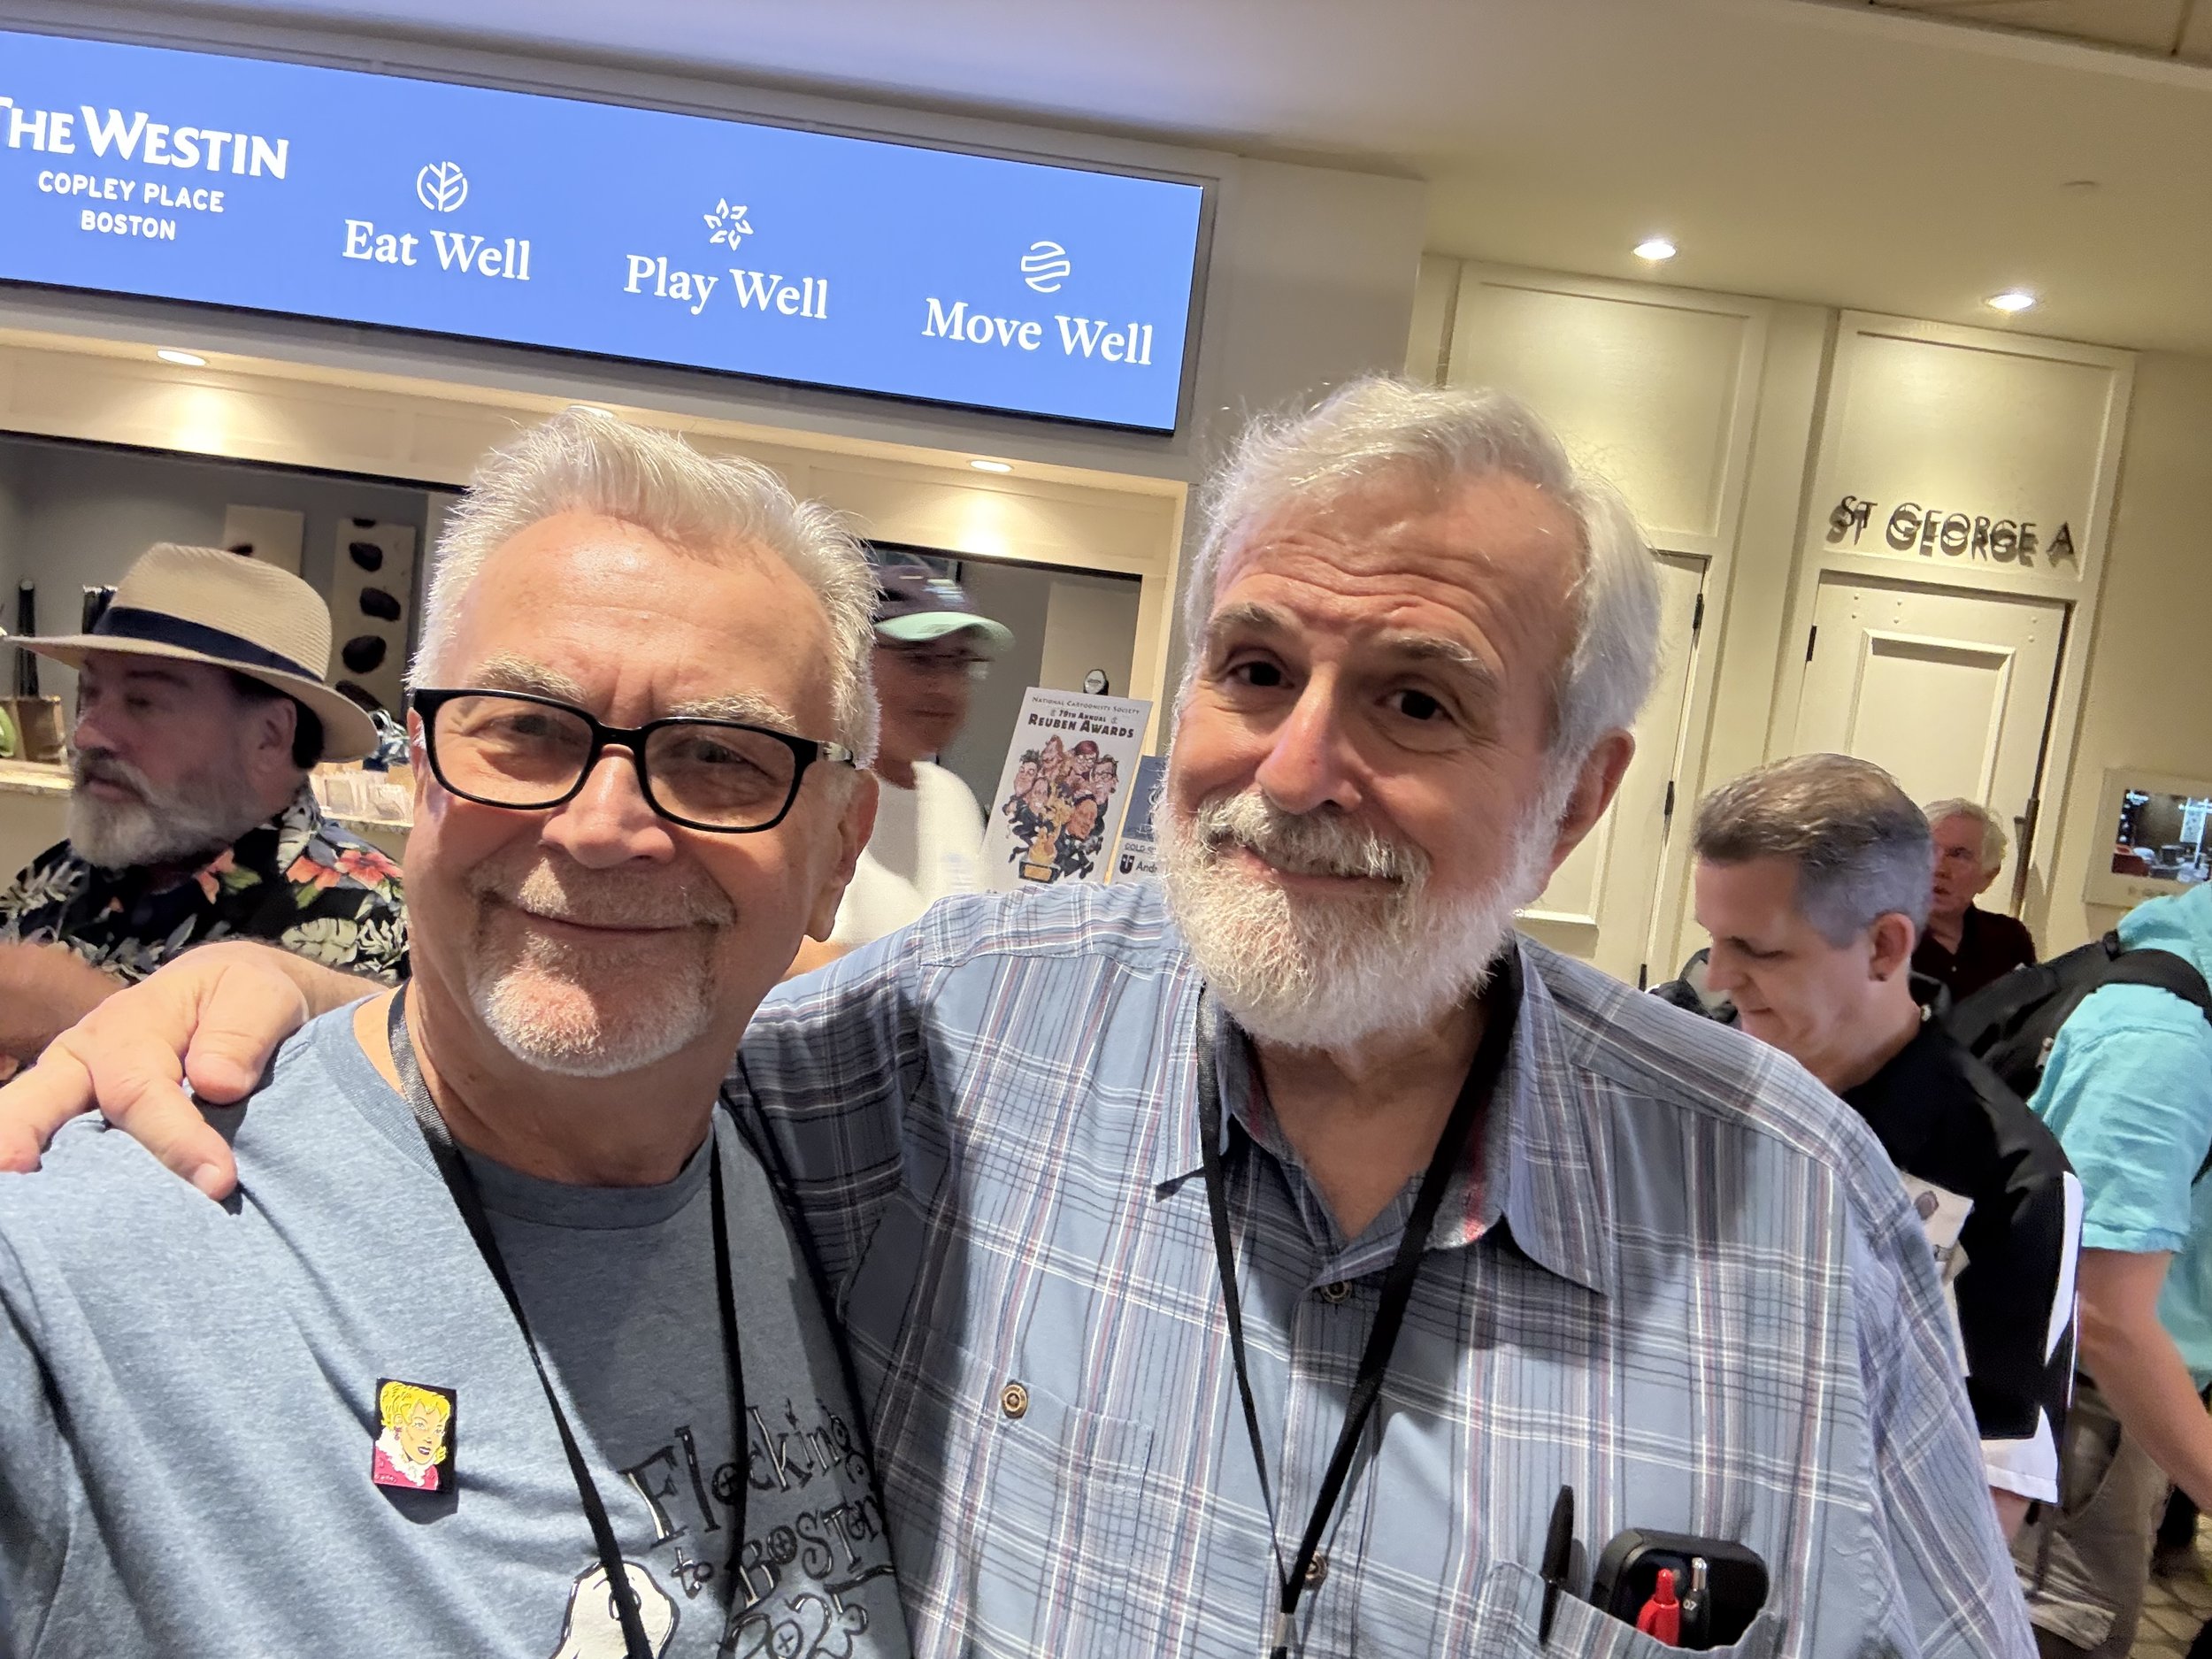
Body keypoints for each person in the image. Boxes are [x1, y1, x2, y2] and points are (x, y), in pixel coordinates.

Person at [0, 381, 2029, 1656]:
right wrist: (278, 1001)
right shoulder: (933, 1051)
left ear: (1577, 794)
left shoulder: (1794, 1220)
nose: (1295, 769)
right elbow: (579, 1022)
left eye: (1415, 697)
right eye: (1253, 668)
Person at [0, 411, 910, 1657]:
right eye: (524, 728)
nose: (601, 828)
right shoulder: (72, 1269)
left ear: (839, 851)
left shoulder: (860, 1178)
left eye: (719, 756)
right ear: (421, 769)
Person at [1686, 753, 2081, 1542]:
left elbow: (1986, 1491)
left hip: (1828, 1555)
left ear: (1884, 947)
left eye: (1758, 950)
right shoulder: (1685, 1069)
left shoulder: (2009, 1179)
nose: (1719, 976)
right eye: (1712, 941)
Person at [0, 544, 407, 1076]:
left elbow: (328, 1116)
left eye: (143, 702)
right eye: (90, 693)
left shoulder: (371, 922)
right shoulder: (64, 871)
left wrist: (85, 1012)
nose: (87, 734)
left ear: (269, 735)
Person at [2008, 878, 2212, 1659]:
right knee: (2064, 1630)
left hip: (2109, 1405)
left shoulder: (2173, 966)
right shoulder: (2165, 1041)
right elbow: (2106, 1319)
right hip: (2081, 1417)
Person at [785, 562, 1007, 978]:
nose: (945, 688)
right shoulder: (811, 792)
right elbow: (784, 961)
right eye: (919, 660)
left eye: (960, 663)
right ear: (854, 661)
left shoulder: (952, 796)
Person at [1916, 798, 2038, 1001]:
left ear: (1988, 876)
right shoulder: (1877, 937)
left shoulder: (2009, 940)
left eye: (1958, 855)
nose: (1939, 868)